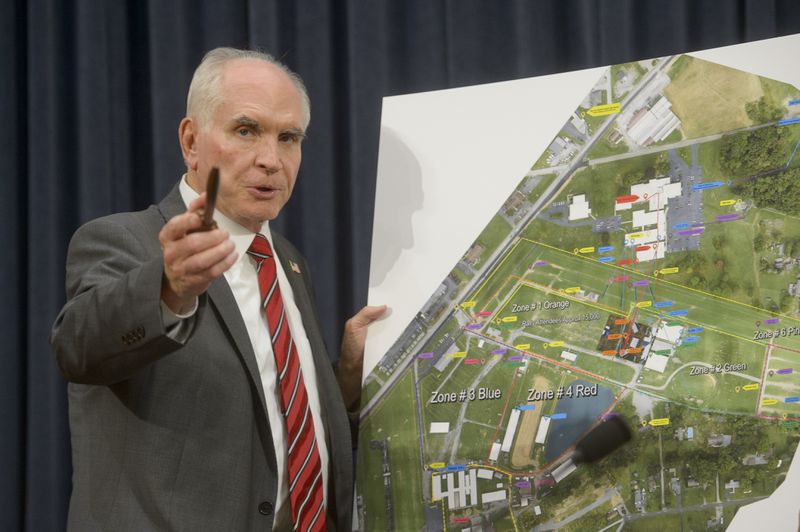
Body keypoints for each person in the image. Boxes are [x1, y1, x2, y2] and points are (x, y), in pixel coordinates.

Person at [49, 47, 385, 531]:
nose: (271, 160)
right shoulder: (124, 240)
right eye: (246, 131)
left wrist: (347, 377)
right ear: (191, 141)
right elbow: (77, 348)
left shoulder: (287, 262)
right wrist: (167, 289)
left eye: (288, 138)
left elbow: (275, 408)